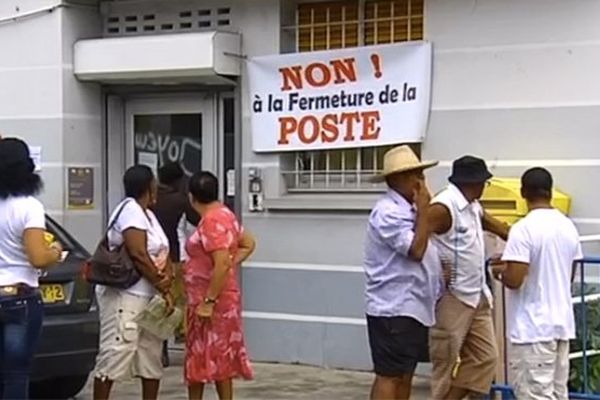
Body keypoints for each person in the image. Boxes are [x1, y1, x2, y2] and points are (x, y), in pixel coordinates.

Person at [495, 168, 582, 400]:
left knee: (534, 394)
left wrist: (500, 272)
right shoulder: (568, 227)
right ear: (550, 192)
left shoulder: (523, 229)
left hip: (532, 329)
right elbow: (570, 274)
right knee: (557, 393)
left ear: (524, 192)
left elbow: (515, 279)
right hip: (561, 325)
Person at [364, 145, 443, 400]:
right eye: (415, 175)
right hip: (394, 306)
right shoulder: (388, 212)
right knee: (390, 375)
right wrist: (424, 210)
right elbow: (416, 250)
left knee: (405, 372)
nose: (421, 182)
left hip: (413, 305)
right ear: (397, 179)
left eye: (421, 175)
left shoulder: (408, 209)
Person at [428, 155, 510, 400]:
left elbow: (495, 226)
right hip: (453, 296)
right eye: (484, 182)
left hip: (477, 294)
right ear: (473, 183)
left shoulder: (473, 205)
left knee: (486, 358)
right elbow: (417, 236)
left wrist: (520, 237)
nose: (485, 187)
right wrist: (433, 266)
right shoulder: (443, 206)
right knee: (445, 361)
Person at [93, 165, 174, 400]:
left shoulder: (148, 214)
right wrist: (162, 284)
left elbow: (162, 249)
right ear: (148, 186)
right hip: (126, 295)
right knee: (116, 352)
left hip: (150, 295)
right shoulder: (130, 211)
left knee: (151, 355)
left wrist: (167, 279)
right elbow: (138, 252)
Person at [184, 171, 256, 400]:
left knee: (204, 358)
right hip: (221, 300)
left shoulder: (212, 221)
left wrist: (209, 300)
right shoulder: (226, 215)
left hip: (211, 304)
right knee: (218, 359)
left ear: (192, 196)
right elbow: (248, 243)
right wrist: (227, 265)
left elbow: (222, 259)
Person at [0, 138, 63, 399]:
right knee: (16, 373)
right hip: (19, 297)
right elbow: (38, 257)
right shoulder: (29, 207)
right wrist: (56, 251)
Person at [153, 162, 201, 366]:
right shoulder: (179, 200)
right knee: (180, 303)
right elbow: (198, 220)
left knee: (160, 302)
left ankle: (161, 350)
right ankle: (189, 346)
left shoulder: (151, 200)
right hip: (174, 257)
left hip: (153, 258)